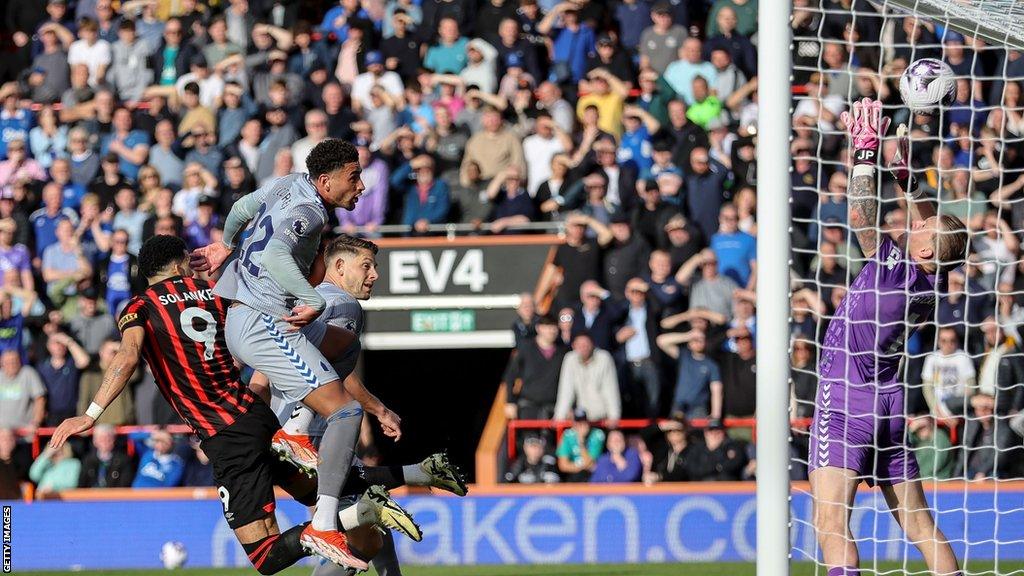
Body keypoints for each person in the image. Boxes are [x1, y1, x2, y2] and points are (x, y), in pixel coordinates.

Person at [49, 235, 382, 573]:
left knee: (265, 556)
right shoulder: (219, 294)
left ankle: (327, 529)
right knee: (320, 492)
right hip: (254, 413)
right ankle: (411, 476)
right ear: (180, 263)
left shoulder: (140, 305)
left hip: (225, 432)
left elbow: (127, 356)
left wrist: (90, 415)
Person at [810, 100, 969, 576]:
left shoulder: (892, 272)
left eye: (921, 227)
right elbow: (932, 225)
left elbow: (860, 220)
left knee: (831, 524)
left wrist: (864, 152)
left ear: (921, 248)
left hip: (844, 403)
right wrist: (905, 175)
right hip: (890, 406)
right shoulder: (932, 278)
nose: (916, 220)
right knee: (919, 525)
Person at [553, 332, 621, 423]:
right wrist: (559, 417)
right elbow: (566, 390)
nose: (583, 348)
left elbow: (610, 389)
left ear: (592, 344)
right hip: (581, 418)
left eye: (586, 344)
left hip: (602, 417)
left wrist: (614, 416)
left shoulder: (604, 358)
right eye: (580, 345)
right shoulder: (570, 359)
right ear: (573, 346)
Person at [556, 409, 605, 482]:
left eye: (583, 422)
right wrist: (581, 466)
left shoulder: (597, 434)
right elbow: (562, 465)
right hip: (573, 476)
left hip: (592, 476)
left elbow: (588, 461)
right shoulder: (567, 435)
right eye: (578, 423)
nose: (581, 426)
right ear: (574, 423)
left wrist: (580, 441)